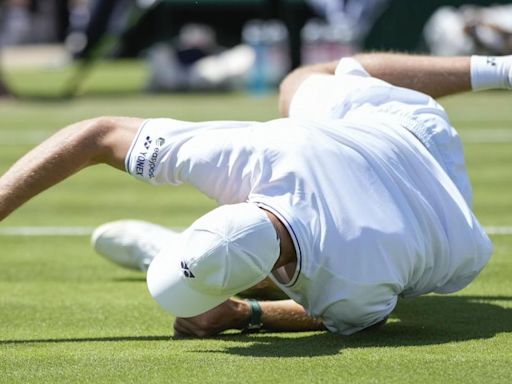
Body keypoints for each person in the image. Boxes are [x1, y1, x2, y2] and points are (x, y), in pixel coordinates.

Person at [1, 53, 511, 338]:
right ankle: (501, 69)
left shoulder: (350, 284)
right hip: (415, 146)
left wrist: (245, 314)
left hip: (449, 229)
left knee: (374, 284)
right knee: (303, 82)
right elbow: (97, 135)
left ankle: (502, 67)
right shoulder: (247, 156)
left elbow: (346, 313)